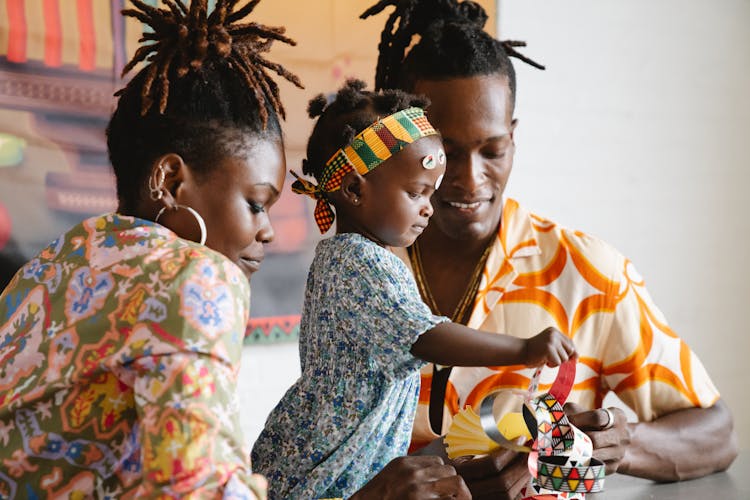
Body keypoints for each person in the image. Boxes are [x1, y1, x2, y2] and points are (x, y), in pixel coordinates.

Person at [0, 2, 471, 499]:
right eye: (255, 203)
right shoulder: (194, 277)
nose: (267, 231)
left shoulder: (55, 264)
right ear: (170, 181)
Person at [360, 0, 738, 496]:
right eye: (445, 153)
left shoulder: (588, 273)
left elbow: (717, 432)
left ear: (513, 139)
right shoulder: (359, 273)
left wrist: (617, 447)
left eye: (492, 151)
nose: (470, 180)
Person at [251, 80, 577, 499]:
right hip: (324, 462)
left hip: (354, 455)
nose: (428, 206)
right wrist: (523, 350)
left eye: (431, 193)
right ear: (353, 189)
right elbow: (428, 337)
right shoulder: (356, 259)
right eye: (416, 192)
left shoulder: (358, 256)